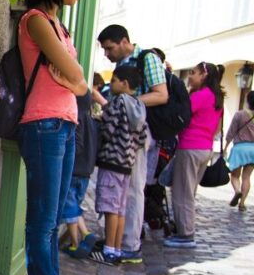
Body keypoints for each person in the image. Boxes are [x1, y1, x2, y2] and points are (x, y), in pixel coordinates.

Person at [17, 0, 90, 275]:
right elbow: (77, 76)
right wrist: (75, 82)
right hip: (43, 124)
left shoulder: (60, 26)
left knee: (54, 219)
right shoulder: (35, 21)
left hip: (64, 124)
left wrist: (76, 83)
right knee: (43, 221)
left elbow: (82, 85)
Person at [97, 24, 169, 262]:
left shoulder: (147, 58)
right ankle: (116, 242)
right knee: (123, 194)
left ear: (124, 41)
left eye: (109, 48)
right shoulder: (124, 65)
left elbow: (161, 94)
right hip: (127, 132)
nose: (107, 54)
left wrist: (127, 102)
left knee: (133, 190)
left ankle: (128, 245)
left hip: (136, 134)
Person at [90, 67, 148, 264]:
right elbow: (142, 139)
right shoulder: (139, 106)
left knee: (109, 208)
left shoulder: (118, 103)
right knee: (120, 209)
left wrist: (99, 122)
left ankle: (108, 251)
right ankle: (116, 248)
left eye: (114, 80)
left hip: (112, 162)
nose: (111, 84)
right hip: (127, 164)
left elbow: (107, 129)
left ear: (124, 83)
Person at [164, 62, 225, 248]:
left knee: (182, 192)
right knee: (189, 191)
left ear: (203, 75)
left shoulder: (201, 96)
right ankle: (186, 230)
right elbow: (215, 128)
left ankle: (185, 234)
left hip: (190, 146)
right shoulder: (216, 98)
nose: (190, 76)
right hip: (204, 148)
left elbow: (181, 113)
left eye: (193, 73)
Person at [61, 90, 98, 259]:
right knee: (73, 205)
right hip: (86, 172)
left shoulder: (77, 117)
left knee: (70, 207)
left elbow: (77, 145)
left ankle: (86, 234)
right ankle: (76, 244)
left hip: (75, 169)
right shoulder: (91, 120)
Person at [227, 90, 254, 211]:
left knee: (234, 176)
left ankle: (237, 191)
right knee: (246, 177)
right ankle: (242, 203)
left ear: (248, 100)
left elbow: (231, 132)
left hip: (239, 149)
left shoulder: (239, 114)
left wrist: (225, 146)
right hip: (253, 150)